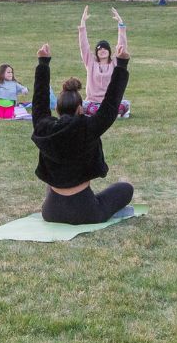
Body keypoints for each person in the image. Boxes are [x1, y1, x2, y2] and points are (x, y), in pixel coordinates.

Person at [31, 41, 134, 225]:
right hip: (86, 212)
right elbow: (111, 104)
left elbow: (39, 102)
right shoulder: (89, 127)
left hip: (50, 211)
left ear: (58, 109)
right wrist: (121, 65)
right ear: (80, 108)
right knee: (125, 189)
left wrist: (43, 64)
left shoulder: (45, 127)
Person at [78, 5, 130, 116]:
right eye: (100, 49)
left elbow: (122, 46)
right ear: (96, 53)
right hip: (93, 102)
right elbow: (84, 46)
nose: (102, 50)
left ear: (109, 51)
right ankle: (109, 114)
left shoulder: (115, 63)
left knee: (124, 105)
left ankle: (109, 112)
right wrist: (83, 24)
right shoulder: (91, 63)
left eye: (105, 48)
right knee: (82, 106)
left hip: (111, 102)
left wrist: (121, 24)